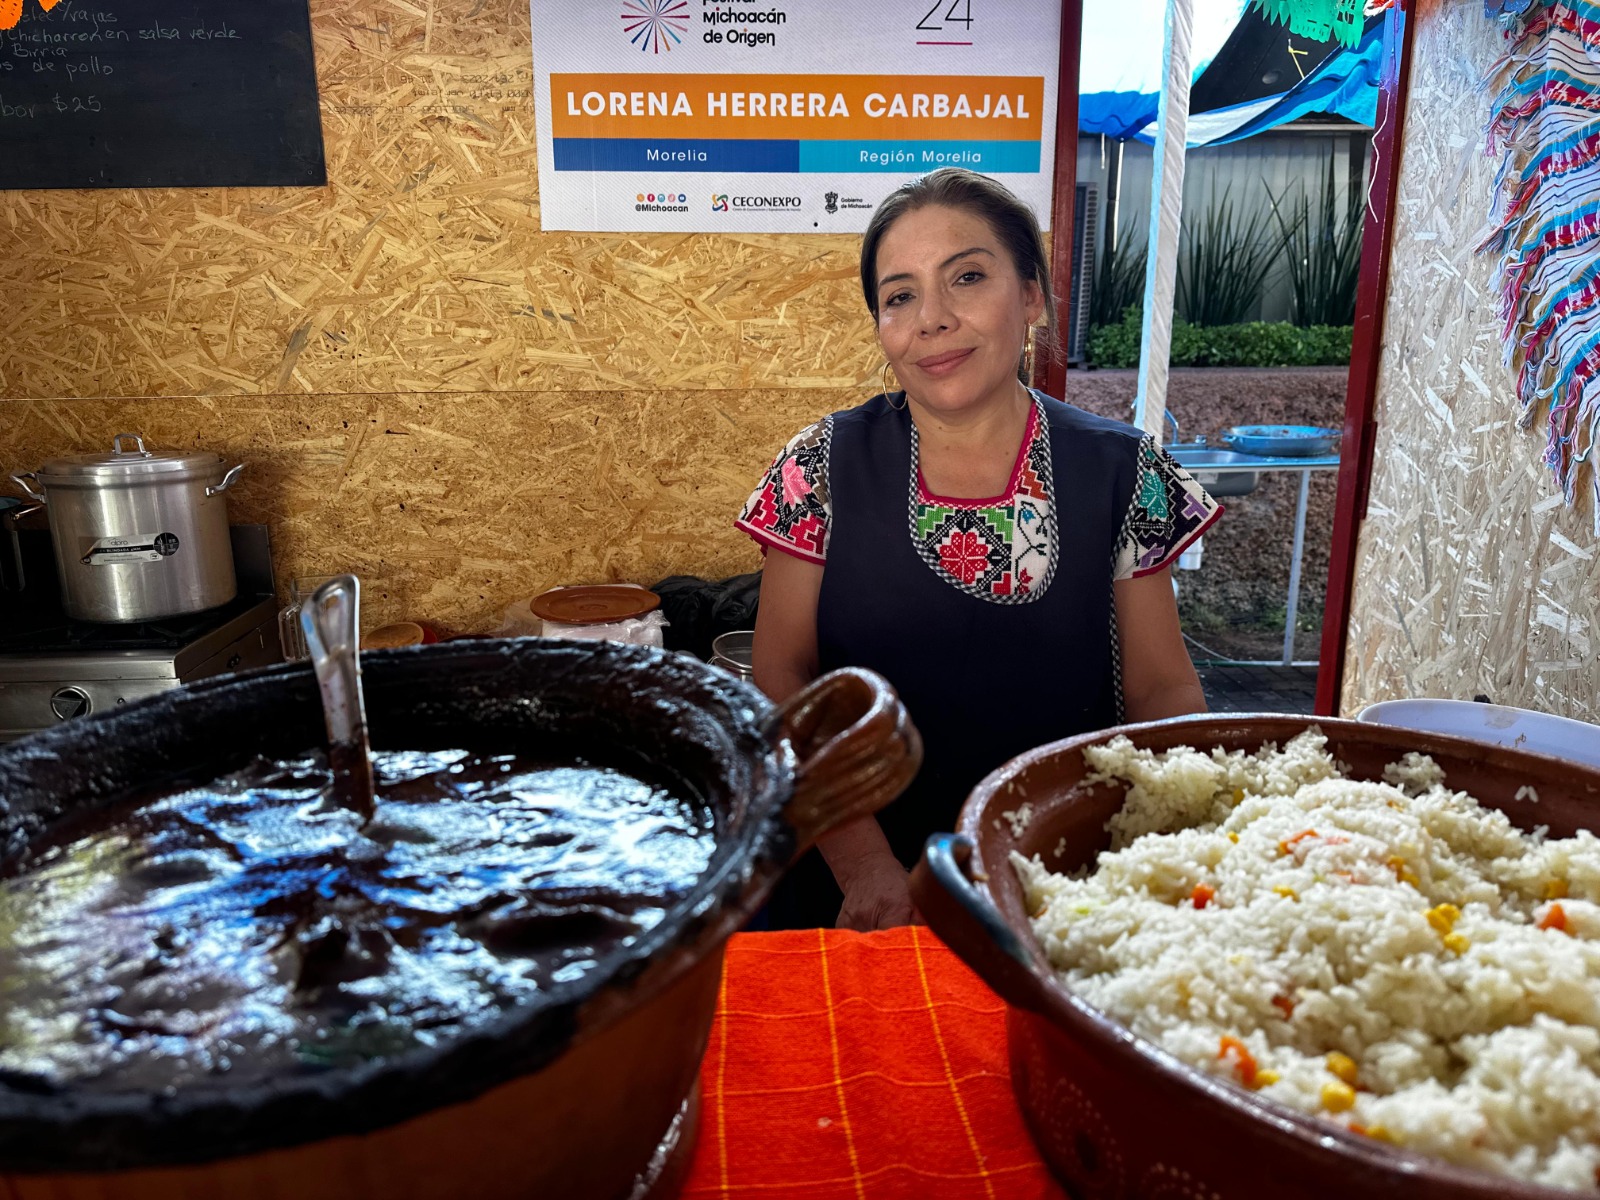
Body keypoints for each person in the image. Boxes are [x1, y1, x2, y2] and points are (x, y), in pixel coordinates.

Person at [735, 168, 1218, 931]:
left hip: (1062, 882)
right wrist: (866, 867)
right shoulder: (820, 466)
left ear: (1030, 296)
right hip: (856, 885)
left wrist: (1172, 849)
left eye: (966, 277)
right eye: (900, 296)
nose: (931, 318)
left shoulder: (1121, 469)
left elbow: (1163, 694)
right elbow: (782, 677)